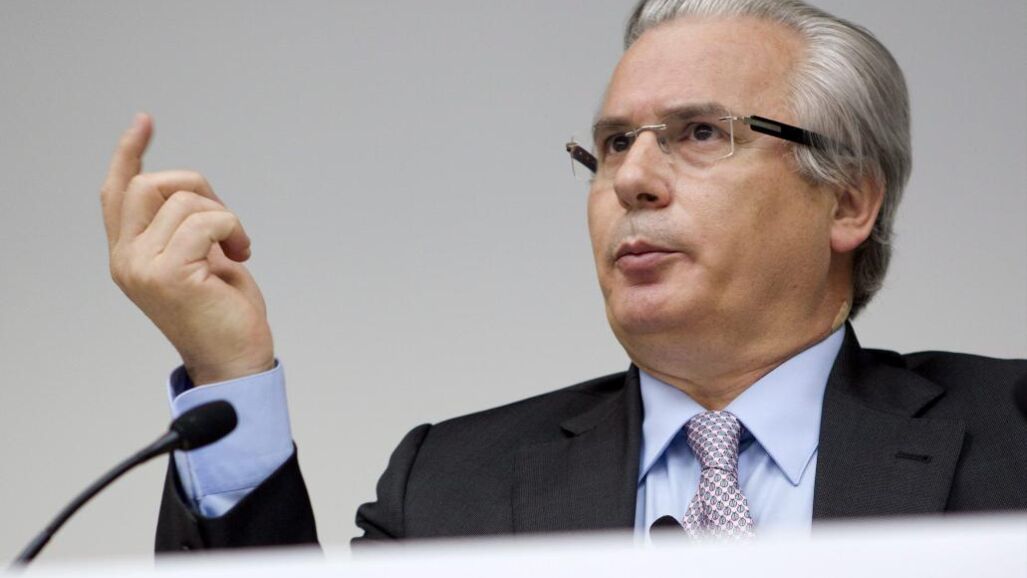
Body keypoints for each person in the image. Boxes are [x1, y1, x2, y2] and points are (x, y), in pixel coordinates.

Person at [97, 0, 1026, 550]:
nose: (631, 178)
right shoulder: (451, 485)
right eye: (614, 143)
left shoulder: (1009, 438)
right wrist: (228, 372)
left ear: (847, 202)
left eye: (700, 133)